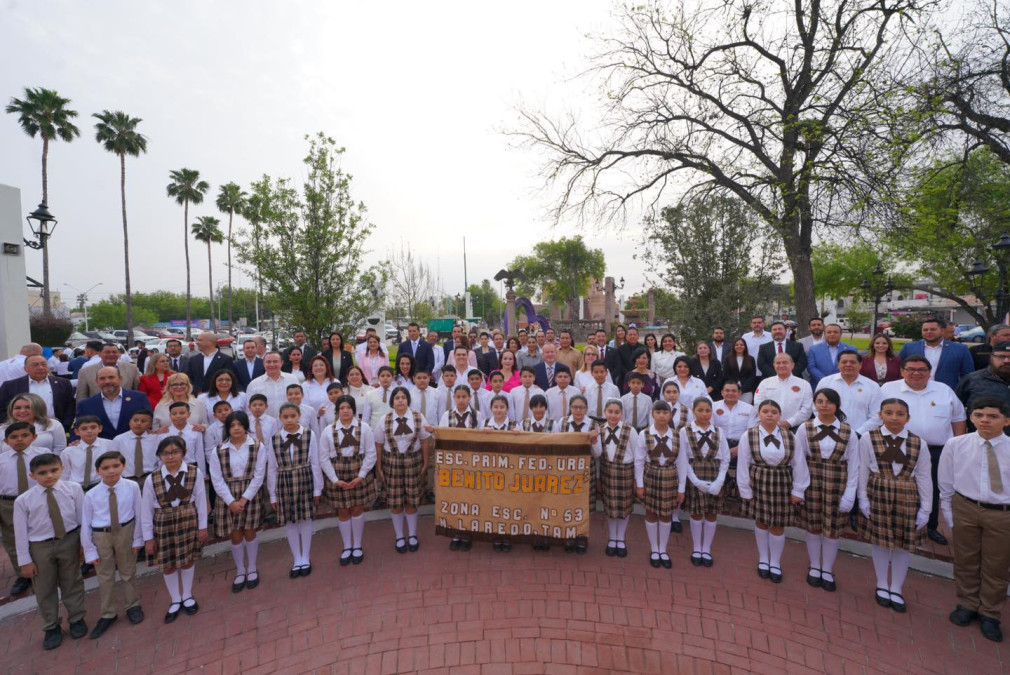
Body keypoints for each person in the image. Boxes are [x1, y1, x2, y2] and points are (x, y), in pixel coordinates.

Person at [938, 396, 1010, 643]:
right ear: (971, 417)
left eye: (993, 416)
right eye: (979, 415)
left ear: (1006, 420)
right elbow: (946, 482)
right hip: (965, 507)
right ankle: (968, 603)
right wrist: (948, 513)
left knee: (996, 565)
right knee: (966, 559)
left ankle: (990, 612)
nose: (985, 420)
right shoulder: (956, 444)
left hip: (1002, 513)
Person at [879, 355, 966, 545]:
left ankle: (930, 527)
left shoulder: (944, 390)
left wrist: (957, 445)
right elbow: (877, 417)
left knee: (932, 489)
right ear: (902, 371)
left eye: (922, 370)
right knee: (900, 487)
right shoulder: (888, 389)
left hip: (937, 451)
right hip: (899, 448)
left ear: (929, 372)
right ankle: (899, 524)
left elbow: (958, 417)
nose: (916, 373)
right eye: (910, 369)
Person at [858, 398, 931, 614]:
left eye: (900, 414)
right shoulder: (868, 438)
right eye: (888, 413)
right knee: (880, 542)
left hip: (907, 493)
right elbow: (863, 469)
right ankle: (882, 583)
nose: (894, 418)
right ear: (880, 415)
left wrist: (926, 508)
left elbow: (925, 476)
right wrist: (862, 498)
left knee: (901, 544)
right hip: (878, 490)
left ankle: (896, 587)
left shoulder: (919, 443)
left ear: (908, 418)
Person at [13, 451, 87, 649]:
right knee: (44, 587)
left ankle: (77, 618)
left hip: (69, 539)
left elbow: (82, 519)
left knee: (72, 580)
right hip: (40, 546)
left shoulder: (74, 489)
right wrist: (25, 561)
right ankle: (51, 626)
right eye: (42, 472)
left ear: (62, 469)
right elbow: (19, 533)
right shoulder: (23, 500)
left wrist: (84, 544)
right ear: (32, 476)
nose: (49, 476)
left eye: (54, 470)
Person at [737, 399, 810, 584]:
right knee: (761, 522)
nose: (769, 414)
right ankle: (763, 559)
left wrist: (798, 490)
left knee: (778, 524)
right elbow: (743, 464)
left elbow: (799, 463)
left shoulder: (789, 436)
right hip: (759, 482)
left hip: (782, 483)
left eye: (774, 412)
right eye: (765, 411)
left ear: (779, 415)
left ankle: (775, 562)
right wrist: (745, 490)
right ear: (758, 414)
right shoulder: (749, 435)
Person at [795, 389, 859, 593]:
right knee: (813, 525)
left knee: (832, 530)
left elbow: (854, 464)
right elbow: (798, 460)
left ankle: (828, 569)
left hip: (837, 481)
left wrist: (850, 493)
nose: (824, 405)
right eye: (820, 401)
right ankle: (814, 565)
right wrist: (799, 487)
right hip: (811, 480)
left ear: (837, 405)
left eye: (829, 402)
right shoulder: (805, 428)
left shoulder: (849, 431)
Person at [141, 436, 209, 624]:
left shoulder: (194, 473)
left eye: (175, 452)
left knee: (187, 560)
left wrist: (202, 527)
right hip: (163, 523)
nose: (170, 457)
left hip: (188, 519)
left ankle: (187, 595)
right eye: (165, 453)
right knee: (169, 563)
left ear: (184, 453)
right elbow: (145, 510)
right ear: (159, 456)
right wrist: (148, 538)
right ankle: (175, 599)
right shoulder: (152, 479)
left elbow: (201, 501)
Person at [81, 450, 145, 638]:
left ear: (124, 466)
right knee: (105, 575)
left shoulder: (132, 486)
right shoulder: (91, 494)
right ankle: (108, 613)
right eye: (106, 468)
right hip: (102, 535)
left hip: (126, 531)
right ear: (97, 471)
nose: (111, 471)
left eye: (116, 466)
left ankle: (132, 605)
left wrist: (138, 538)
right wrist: (89, 551)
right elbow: (86, 522)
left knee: (128, 571)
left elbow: (139, 512)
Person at [209, 411, 267, 594]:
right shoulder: (218, 450)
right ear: (227, 428)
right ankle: (240, 570)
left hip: (250, 494)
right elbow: (216, 479)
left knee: (250, 531)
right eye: (232, 425)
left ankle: (252, 568)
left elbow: (259, 476)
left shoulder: (257, 446)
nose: (236, 428)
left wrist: (244, 498)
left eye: (239, 425)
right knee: (235, 534)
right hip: (228, 497)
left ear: (245, 426)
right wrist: (231, 501)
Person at [267, 403, 327, 577]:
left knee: (306, 519)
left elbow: (315, 462)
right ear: (280, 418)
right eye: (285, 417)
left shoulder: (309, 434)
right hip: (284, 481)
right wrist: (272, 494)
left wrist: (318, 489)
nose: (289, 420)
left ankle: (306, 557)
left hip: (305, 478)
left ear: (299, 415)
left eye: (293, 416)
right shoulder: (275, 438)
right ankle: (297, 559)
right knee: (290, 521)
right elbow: (271, 468)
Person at [374, 386, 431, 554]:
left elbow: (425, 441)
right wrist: (379, 466)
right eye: (397, 397)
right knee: (396, 502)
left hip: (413, 461)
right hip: (392, 463)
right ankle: (400, 536)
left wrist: (425, 463)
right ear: (392, 401)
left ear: (408, 400)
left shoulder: (418, 417)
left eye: (403, 397)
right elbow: (378, 443)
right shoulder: (384, 419)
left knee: (412, 501)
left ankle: (412, 535)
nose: (400, 400)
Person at [321, 395, 377, 565]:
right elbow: (323, 458)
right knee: (343, 511)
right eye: (342, 408)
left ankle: (358, 545)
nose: (345, 411)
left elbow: (371, 453)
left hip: (359, 472)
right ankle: (347, 546)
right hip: (337, 475)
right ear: (336, 411)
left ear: (354, 410)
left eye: (349, 407)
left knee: (357, 509)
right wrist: (334, 479)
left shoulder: (364, 428)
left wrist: (361, 475)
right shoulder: (328, 431)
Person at [636, 401, 685, 569]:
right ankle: (654, 548)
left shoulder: (677, 435)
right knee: (651, 512)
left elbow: (682, 463)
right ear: (653, 414)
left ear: (670, 415)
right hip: (651, 474)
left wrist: (682, 488)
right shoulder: (644, 434)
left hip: (670, 476)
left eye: (665, 412)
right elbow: (639, 461)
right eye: (658, 412)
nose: (662, 415)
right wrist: (640, 484)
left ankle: (663, 549)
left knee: (666, 514)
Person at [682, 397, 730, 569]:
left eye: (707, 410)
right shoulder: (685, 431)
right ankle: (696, 548)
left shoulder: (719, 431)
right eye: (700, 410)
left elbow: (725, 458)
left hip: (714, 473)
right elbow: (683, 459)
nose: (704, 414)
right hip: (694, 474)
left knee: (711, 513)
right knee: (696, 513)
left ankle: (706, 548)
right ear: (694, 411)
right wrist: (695, 481)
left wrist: (719, 481)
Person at [1, 423, 46, 596]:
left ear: (33, 437)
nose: (19, 439)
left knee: (41, 533)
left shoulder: (43, 454)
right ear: (6, 441)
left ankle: (45, 568)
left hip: (37, 499)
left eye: (24, 435)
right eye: (13, 437)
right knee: (13, 538)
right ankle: (22, 574)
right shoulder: (1, 460)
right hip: (9, 503)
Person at [592, 399, 640, 558]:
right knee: (610, 507)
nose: (613, 415)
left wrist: (637, 480)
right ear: (605, 413)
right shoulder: (599, 430)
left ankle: (621, 538)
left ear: (621, 413)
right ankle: (612, 538)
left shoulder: (630, 430)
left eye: (616, 412)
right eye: (610, 412)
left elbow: (638, 456)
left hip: (625, 472)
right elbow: (597, 456)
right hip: (607, 471)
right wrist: (598, 477)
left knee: (624, 508)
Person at [0, 354, 75, 432]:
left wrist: (65, 426)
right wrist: (13, 426)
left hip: (55, 428)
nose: (40, 367)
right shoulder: (10, 386)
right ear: (26, 369)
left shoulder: (63, 383)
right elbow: (2, 409)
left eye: (43, 364)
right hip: (21, 430)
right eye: (35, 365)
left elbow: (70, 406)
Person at [817, 350, 884, 436]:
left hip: (861, 435)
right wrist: (830, 428)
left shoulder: (872, 386)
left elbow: (877, 414)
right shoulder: (825, 382)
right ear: (838, 364)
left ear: (860, 365)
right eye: (844, 362)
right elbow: (817, 408)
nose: (848, 364)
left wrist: (858, 433)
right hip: (829, 433)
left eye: (853, 362)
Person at [75, 367, 152, 440]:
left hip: (133, 446)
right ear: (97, 381)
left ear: (120, 379)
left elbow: (149, 421)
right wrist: (75, 440)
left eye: (111, 377)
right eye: (102, 378)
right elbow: (78, 427)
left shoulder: (138, 398)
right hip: (102, 450)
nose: (107, 381)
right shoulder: (85, 405)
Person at [898, 318, 974, 391]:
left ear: (942, 331)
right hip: (914, 391)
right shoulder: (909, 347)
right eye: (925, 330)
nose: (929, 332)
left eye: (933, 329)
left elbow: (967, 375)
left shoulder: (960, 349)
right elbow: (899, 369)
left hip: (945, 393)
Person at [956, 341, 1010, 432]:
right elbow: (956, 412)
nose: (1007, 361)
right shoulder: (972, 380)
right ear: (991, 357)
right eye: (1001, 357)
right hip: (982, 441)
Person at [754, 353, 813, 431]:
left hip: (795, 428)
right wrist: (771, 422)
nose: (781, 365)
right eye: (778, 363)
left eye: (785, 362)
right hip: (768, 427)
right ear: (774, 365)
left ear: (792, 365)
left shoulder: (804, 384)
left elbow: (807, 409)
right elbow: (758, 404)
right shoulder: (765, 383)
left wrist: (789, 423)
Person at [1, 393, 66, 454]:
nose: (22, 411)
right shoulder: (2, 429)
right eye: (17, 408)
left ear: (38, 408)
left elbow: (60, 449)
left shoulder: (53, 424)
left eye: (28, 407)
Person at [76, 343, 141, 401]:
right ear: (99, 354)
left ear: (119, 354)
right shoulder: (85, 372)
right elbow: (81, 397)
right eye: (107, 352)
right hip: (97, 412)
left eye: (114, 352)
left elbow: (138, 392)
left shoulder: (132, 369)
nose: (111, 354)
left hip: (126, 411)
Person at [61, 416, 111, 491]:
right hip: (76, 488)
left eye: (93, 427)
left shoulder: (109, 445)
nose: (89, 431)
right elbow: (64, 474)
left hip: (100, 486)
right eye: (84, 429)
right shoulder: (68, 451)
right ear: (77, 432)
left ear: (100, 428)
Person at [806, 324, 858, 390]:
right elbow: (811, 367)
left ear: (841, 334)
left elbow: (854, 366)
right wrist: (825, 381)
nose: (832, 334)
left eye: (835, 332)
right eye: (829, 332)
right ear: (824, 334)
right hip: (820, 385)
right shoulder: (814, 349)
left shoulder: (851, 349)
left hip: (844, 385)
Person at [158, 402, 206, 469]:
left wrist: (202, 473)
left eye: (182, 413)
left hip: (191, 466)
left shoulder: (195, 431)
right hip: (170, 467)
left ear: (188, 414)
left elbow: (199, 454)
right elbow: (160, 456)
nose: (178, 416)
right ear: (170, 415)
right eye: (174, 414)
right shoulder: (164, 433)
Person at [584, 360, 622, 424]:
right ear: (592, 373)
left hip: (608, 421)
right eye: (596, 372)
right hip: (591, 421)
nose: (599, 375)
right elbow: (586, 407)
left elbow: (618, 407)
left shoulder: (614, 389)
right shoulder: (588, 389)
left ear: (606, 373)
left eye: (602, 372)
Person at [722, 338, 759, 403]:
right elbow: (726, 375)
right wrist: (735, 388)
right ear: (733, 346)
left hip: (746, 391)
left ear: (745, 347)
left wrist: (742, 390)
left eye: (742, 345)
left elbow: (752, 376)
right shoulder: (727, 358)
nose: (739, 346)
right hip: (731, 390)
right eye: (737, 345)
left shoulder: (751, 359)